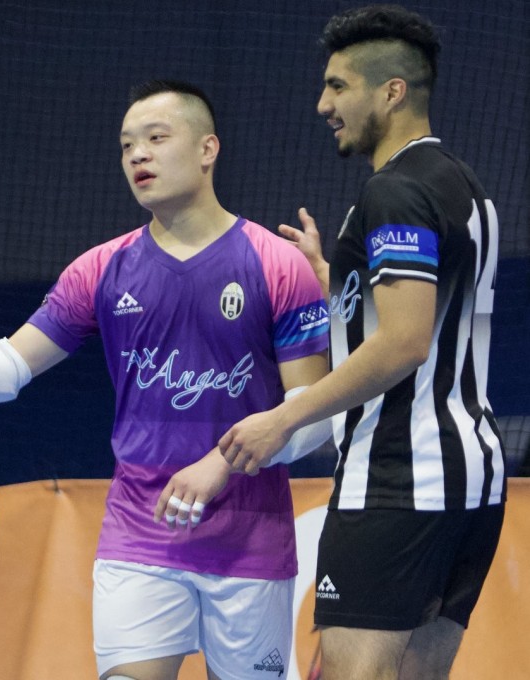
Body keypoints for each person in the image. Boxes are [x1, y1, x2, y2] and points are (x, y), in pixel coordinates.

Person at [0, 81, 330, 680]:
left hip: (250, 542)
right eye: (127, 145)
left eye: (157, 138)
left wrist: (224, 461)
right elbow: (6, 368)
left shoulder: (277, 265)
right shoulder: (101, 270)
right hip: (141, 532)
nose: (139, 156)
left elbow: (310, 412)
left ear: (208, 149)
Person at [214, 6, 506, 679]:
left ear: (392, 91)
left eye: (339, 86)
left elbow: (404, 344)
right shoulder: (465, 189)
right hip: (470, 484)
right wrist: (335, 279)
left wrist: (284, 417)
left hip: (396, 481)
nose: (323, 104)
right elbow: (433, 318)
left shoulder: (394, 191)